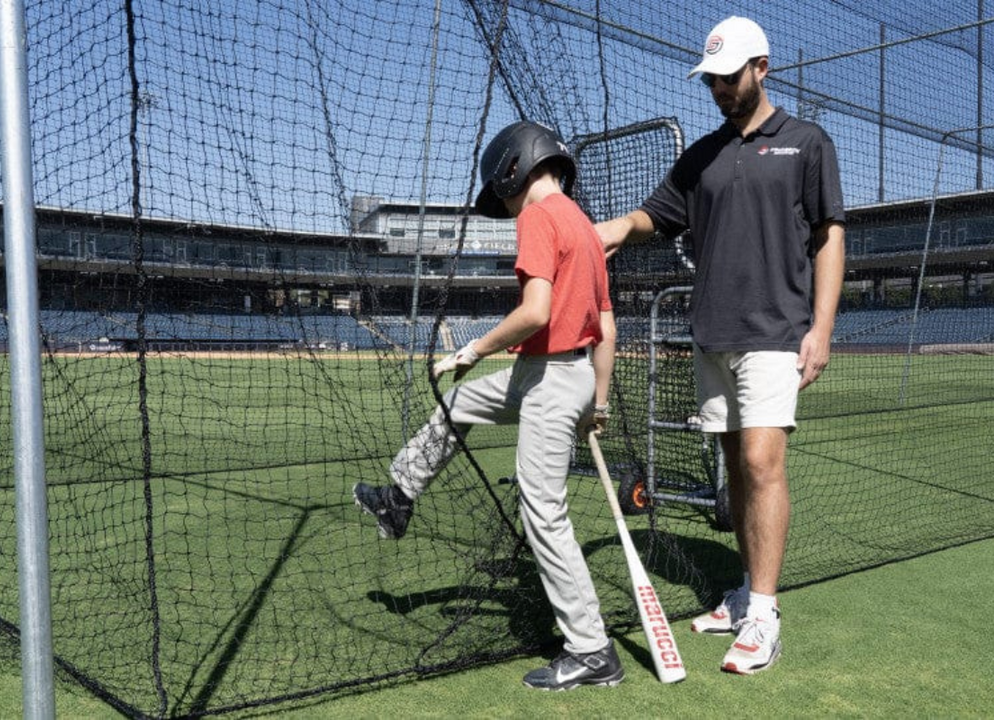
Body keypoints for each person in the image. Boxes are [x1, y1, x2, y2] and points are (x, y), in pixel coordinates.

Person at [596, 16, 846, 675]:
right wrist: (619, 227)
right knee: (736, 470)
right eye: (710, 80)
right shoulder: (702, 155)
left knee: (763, 463)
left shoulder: (806, 144)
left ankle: (763, 614)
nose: (718, 89)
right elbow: (659, 213)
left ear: (762, 68)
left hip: (776, 331)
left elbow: (829, 237)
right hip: (713, 334)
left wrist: (821, 327)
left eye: (728, 77)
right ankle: (742, 593)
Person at [353, 120, 622, 691]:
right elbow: (607, 326)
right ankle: (399, 497)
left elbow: (535, 313)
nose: (503, 200)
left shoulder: (540, 217)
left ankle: (592, 649)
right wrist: (597, 401)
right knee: (460, 405)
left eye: (501, 189)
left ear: (514, 167)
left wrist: (471, 350)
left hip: (550, 378)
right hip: (558, 374)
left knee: (543, 512)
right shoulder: (583, 224)